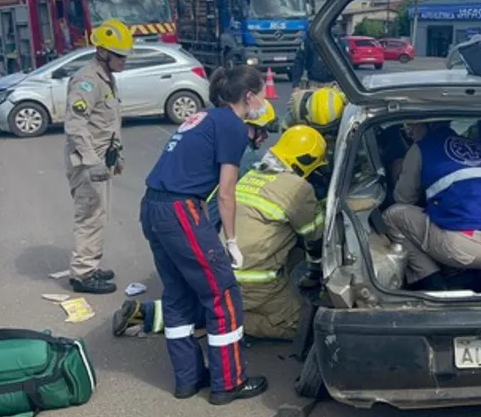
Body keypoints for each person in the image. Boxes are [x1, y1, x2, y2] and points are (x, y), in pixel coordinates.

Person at [116, 125, 328, 341]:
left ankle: (150, 313)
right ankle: (221, 321)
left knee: (222, 298)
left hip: (219, 270)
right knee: (294, 323)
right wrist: (315, 273)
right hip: (253, 283)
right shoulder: (298, 188)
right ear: (306, 162)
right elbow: (314, 235)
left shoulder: (252, 175)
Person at [140, 65, 268, 404]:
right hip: (180, 210)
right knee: (222, 293)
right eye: (261, 95)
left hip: (153, 205)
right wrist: (232, 241)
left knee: (179, 294)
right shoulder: (233, 126)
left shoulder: (205, 117)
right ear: (248, 97)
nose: (264, 101)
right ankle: (229, 383)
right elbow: (226, 193)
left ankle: (188, 380)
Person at [385, 120, 481, 291]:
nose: (409, 131)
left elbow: (404, 198)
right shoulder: (479, 148)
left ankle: (430, 280)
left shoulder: (421, 148)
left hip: (461, 247)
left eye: (412, 125)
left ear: (428, 125)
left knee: (392, 215)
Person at [63, 18, 132, 294]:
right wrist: (92, 162)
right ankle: (82, 275)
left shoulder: (106, 77)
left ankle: (90, 265)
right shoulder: (88, 82)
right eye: (119, 56)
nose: (124, 61)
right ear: (102, 52)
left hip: (102, 160)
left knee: (99, 216)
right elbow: (75, 126)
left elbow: (107, 123)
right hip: (87, 163)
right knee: (90, 216)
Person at [204, 100, 278, 227]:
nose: (265, 137)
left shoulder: (219, 141)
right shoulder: (247, 156)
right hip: (211, 224)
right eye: (262, 130)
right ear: (245, 125)